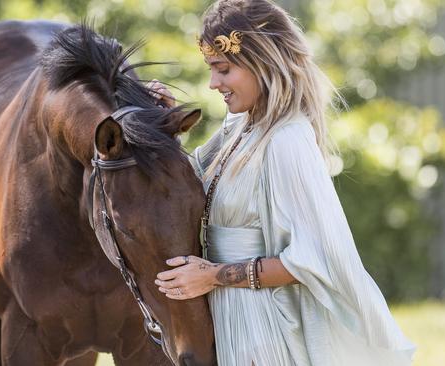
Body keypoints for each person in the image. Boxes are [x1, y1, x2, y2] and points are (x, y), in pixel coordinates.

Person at [148, 0, 416, 365]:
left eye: (223, 69)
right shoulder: (241, 128)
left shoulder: (286, 140)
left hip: (265, 331)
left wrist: (214, 276)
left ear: (262, 62)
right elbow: (193, 184)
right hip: (230, 320)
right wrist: (162, 123)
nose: (213, 84)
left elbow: (312, 259)